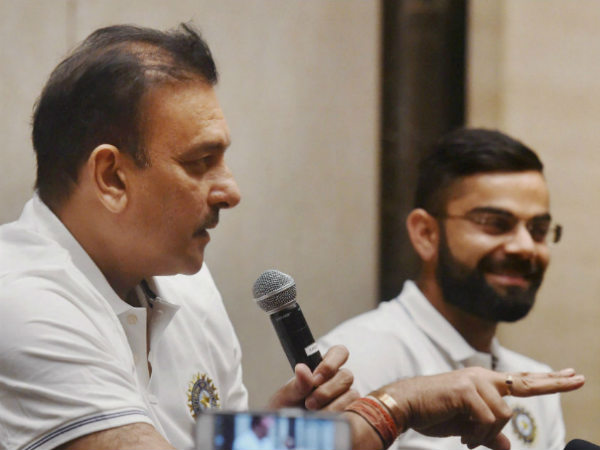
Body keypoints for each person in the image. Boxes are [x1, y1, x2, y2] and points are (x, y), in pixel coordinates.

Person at [0, 24, 583, 450]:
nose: (230, 190)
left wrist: (292, 431)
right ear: (111, 177)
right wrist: (394, 407)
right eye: (201, 162)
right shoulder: (21, 298)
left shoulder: (188, 287)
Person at [320, 128, 571, 450]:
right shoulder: (354, 363)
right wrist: (396, 407)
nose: (525, 247)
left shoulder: (536, 382)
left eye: (538, 229)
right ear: (426, 233)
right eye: (495, 223)